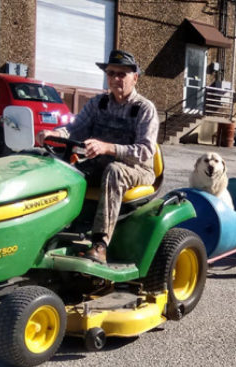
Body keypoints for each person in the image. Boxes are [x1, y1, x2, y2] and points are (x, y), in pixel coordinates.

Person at [36, 50, 159, 264]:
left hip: (138, 170)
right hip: (100, 165)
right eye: (111, 73)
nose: (115, 79)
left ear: (135, 77)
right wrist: (55, 134)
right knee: (62, 168)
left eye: (122, 74)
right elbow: (75, 129)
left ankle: (100, 244)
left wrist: (108, 148)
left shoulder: (144, 109)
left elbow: (145, 151)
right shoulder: (98, 103)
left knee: (115, 171)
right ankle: (52, 230)